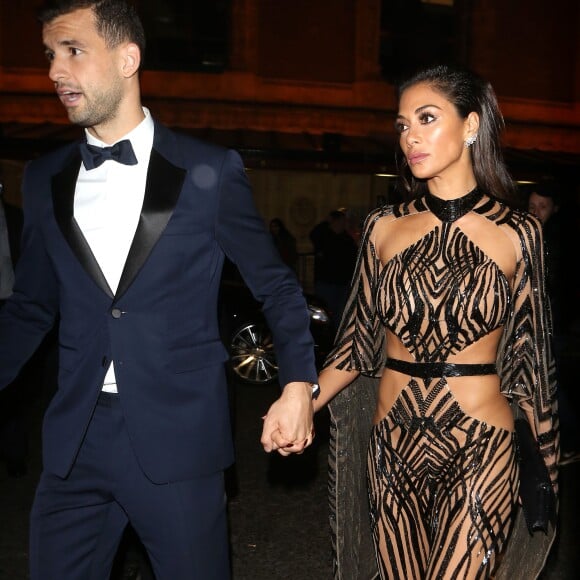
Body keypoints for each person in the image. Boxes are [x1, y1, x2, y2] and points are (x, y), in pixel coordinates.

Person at [0, 1, 319, 578]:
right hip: (75, 441)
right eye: (50, 56)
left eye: (72, 51)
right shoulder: (44, 177)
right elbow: (30, 307)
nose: (54, 72)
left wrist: (297, 386)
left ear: (128, 58)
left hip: (178, 442)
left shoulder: (210, 170)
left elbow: (275, 286)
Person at [296, 64, 559, 578]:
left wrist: (544, 466)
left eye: (426, 118)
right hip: (392, 444)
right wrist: (301, 404)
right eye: (402, 125)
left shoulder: (519, 232)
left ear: (470, 125)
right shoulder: (382, 227)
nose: (410, 136)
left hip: (481, 443)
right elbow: (354, 344)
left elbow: (532, 360)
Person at [528, 181, 580, 465]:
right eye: (532, 206)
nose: (535, 212)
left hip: (554, 325)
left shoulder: (554, 240)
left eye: (542, 207)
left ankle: (569, 443)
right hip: (553, 323)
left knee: (552, 384)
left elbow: (550, 285)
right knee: (549, 383)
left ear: (554, 209)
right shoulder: (544, 235)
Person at [309, 209, 358, 330]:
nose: (344, 224)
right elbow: (314, 234)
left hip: (341, 282)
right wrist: (326, 222)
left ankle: (336, 336)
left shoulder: (346, 239)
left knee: (340, 313)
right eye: (342, 221)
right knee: (324, 312)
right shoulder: (323, 235)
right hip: (326, 281)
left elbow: (352, 257)